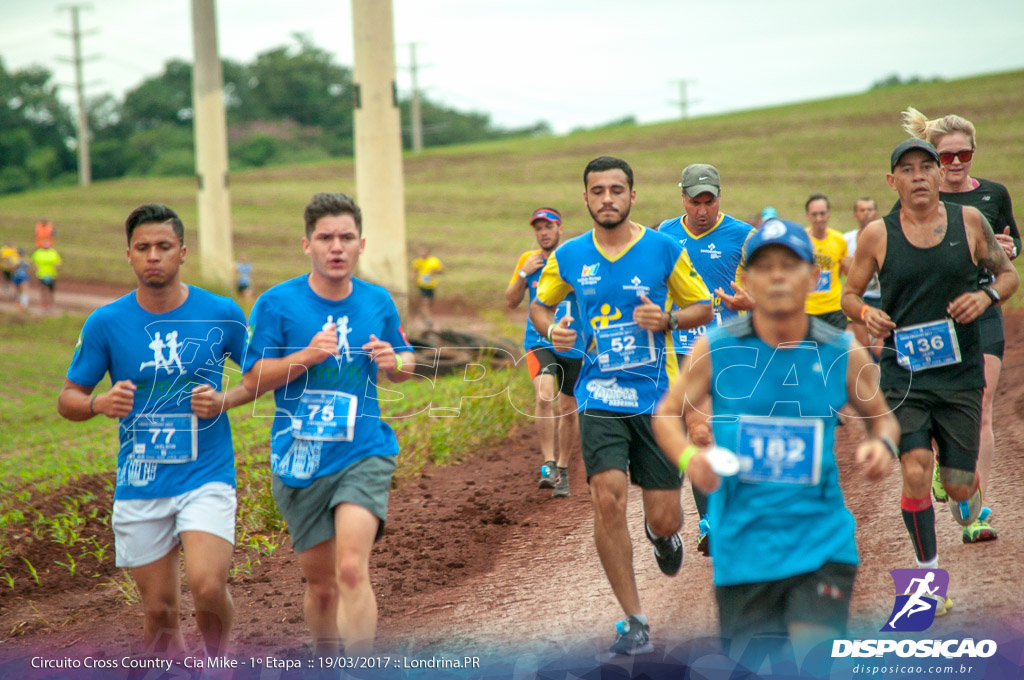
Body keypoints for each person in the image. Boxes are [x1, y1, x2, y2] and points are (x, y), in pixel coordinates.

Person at [652, 218, 898, 665]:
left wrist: (881, 446)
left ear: (815, 276)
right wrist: (689, 457)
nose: (778, 275)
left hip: (821, 543)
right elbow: (667, 413)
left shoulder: (841, 351)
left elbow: (882, 420)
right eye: (764, 267)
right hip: (742, 550)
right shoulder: (717, 349)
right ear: (746, 280)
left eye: (790, 264)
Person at [529, 156, 713, 655]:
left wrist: (670, 319)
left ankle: (663, 537)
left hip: (658, 400)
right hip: (599, 394)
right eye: (597, 191)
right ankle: (634, 619)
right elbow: (540, 305)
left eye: (616, 190)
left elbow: (704, 307)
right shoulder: (568, 256)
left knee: (665, 515)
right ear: (585, 199)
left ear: (632, 196)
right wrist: (553, 330)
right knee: (606, 496)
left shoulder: (663, 249)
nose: (606, 198)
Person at [57, 203, 253, 659]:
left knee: (206, 586)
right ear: (128, 255)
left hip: (206, 474)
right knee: (160, 613)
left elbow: (262, 373)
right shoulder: (105, 323)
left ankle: (219, 664)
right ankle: (172, 667)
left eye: (163, 246)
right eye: (143, 247)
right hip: (141, 481)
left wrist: (224, 400)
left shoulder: (221, 312)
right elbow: (67, 398)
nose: (153, 256)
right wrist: (97, 403)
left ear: (182, 253)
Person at [841, 139, 1018, 609]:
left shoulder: (970, 222)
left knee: (960, 487)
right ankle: (927, 581)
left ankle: (954, 474)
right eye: (907, 169)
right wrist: (867, 314)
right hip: (904, 375)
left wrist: (986, 298)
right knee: (914, 470)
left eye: (927, 167)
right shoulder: (877, 236)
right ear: (891, 181)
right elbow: (849, 295)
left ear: (940, 176)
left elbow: (1007, 276)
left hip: (961, 374)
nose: (918, 176)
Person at [242, 192, 415, 655]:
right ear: (307, 245)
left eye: (346, 237)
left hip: (364, 451)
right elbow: (253, 377)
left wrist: (394, 358)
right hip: (299, 459)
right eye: (325, 238)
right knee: (322, 588)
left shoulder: (377, 301)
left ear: (361, 244)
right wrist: (305, 357)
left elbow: (407, 360)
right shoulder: (276, 304)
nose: (336, 247)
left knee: (353, 569)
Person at [901, 107, 1021, 543]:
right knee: (935, 405)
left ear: (973, 153)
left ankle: (975, 510)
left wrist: (1008, 247)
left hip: (983, 310)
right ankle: (944, 459)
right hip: (932, 318)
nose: (955, 164)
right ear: (933, 158)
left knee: (983, 402)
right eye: (945, 157)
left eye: (963, 155)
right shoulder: (917, 201)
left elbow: (1013, 244)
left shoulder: (992, 195)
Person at [658, 163, 754, 555]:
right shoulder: (664, 234)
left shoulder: (744, 237)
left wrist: (754, 303)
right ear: (682, 198)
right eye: (694, 201)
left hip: (731, 349)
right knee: (699, 433)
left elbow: (771, 285)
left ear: (719, 198)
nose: (702, 210)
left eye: (709, 201)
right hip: (682, 350)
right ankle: (710, 521)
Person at [505, 207, 584, 497]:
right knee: (544, 394)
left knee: (568, 409)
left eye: (548, 227)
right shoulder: (528, 261)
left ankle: (563, 469)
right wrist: (524, 274)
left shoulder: (573, 259)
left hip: (574, 344)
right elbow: (511, 300)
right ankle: (548, 463)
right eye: (538, 228)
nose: (543, 233)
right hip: (539, 341)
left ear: (560, 229)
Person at [843, 198, 882, 357]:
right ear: (855, 215)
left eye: (870, 209)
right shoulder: (846, 240)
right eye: (862, 210)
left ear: (876, 213)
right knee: (863, 346)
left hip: (882, 298)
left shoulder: (885, 237)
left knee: (880, 350)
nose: (866, 214)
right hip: (859, 298)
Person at [804, 194, 849, 329]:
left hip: (834, 308)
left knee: (836, 350)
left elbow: (844, 271)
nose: (819, 218)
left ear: (829, 213)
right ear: (807, 215)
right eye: (814, 214)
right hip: (808, 309)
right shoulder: (801, 239)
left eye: (822, 214)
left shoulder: (839, 239)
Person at [411, 246, 443, 331]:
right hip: (422, 285)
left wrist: (435, 271)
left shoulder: (434, 261)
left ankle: (426, 316)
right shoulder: (417, 262)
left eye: (424, 252)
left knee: (430, 303)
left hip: (431, 285)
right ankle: (427, 319)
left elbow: (441, 271)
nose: (422, 253)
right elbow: (414, 272)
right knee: (425, 301)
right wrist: (413, 281)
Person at [31, 242, 62, 311]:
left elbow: (59, 262)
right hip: (41, 274)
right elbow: (32, 261)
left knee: (51, 289)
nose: (46, 245)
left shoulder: (53, 252)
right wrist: (35, 267)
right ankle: (43, 303)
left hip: (51, 274)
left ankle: (51, 303)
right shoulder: (38, 252)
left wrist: (57, 266)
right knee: (43, 288)